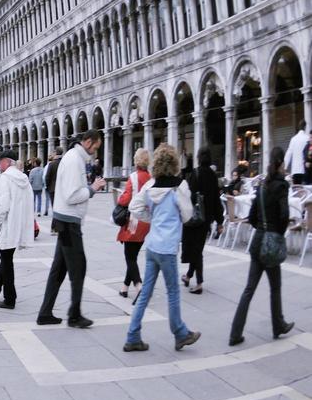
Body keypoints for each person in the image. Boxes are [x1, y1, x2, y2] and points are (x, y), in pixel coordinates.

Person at [123, 144, 201, 353]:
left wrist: (152, 218)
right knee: (173, 292)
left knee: (146, 292)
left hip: (152, 246)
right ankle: (180, 333)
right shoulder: (179, 187)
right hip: (167, 248)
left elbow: (134, 207)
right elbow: (187, 215)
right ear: (175, 163)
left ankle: (132, 335)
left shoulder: (150, 185)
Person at [36, 132, 107, 328]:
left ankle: (45, 313)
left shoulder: (73, 158)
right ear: (87, 142)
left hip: (64, 219)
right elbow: (71, 195)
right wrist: (93, 188)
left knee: (59, 270)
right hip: (68, 222)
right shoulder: (75, 160)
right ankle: (74, 315)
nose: (95, 151)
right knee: (78, 268)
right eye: (95, 147)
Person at [229, 146, 296, 346]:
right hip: (270, 243)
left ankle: (235, 333)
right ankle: (278, 325)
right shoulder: (281, 186)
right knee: (275, 287)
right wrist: (277, 232)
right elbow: (284, 215)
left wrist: (263, 227)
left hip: (257, 240)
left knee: (249, 289)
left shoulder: (263, 186)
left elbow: (251, 216)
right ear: (282, 163)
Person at [0, 148, 32, 310]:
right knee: (5, 258)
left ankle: (10, 298)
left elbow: (3, 205)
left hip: (7, 225)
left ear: (7, 161)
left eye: (0, 161)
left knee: (6, 261)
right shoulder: (23, 179)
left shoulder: (5, 178)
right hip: (18, 225)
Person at [181, 146, 222, 294]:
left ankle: (199, 283)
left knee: (196, 250)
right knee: (198, 248)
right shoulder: (213, 175)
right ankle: (188, 275)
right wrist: (220, 221)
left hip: (195, 217)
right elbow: (217, 199)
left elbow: (189, 196)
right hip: (207, 219)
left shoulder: (195, 173)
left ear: (198, 157)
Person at [115, 148, 152, 300]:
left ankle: (139, 286)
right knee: (133, 256)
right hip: (146, 222)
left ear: (136, 161)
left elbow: (125, 199)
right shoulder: (151, 178)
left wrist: (119, 198)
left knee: (129, 257)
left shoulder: (133, 177)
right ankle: (124, 288)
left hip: (134, 221)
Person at [289, 120, 309, 185]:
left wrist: (285, 167)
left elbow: (289, 153)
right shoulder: (308, 138)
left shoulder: (293, 139)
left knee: (297, 191)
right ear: (305, 127)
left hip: (295, 170)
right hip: (304, 170)